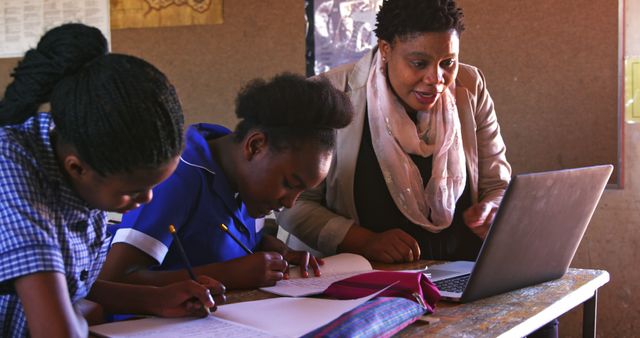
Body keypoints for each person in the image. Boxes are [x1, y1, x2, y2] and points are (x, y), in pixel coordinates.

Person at [0, 23, 225, 338]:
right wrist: (78, 318)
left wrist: (154, 298)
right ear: (77, 168)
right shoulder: (13, 174)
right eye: (132, 191)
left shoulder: (78, 142)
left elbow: (70, 284)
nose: (147, 198)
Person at [279, 0, 512, 265]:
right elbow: (294, 204)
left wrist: (493, 210)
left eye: (448, 62)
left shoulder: (470, 87)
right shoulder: (327, 95)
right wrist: (364, 240)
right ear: (386, 49)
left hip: (458, 272)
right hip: (359, 280)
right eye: (419, 63)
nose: (436, 78)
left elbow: (497, 185)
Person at [98, 73, 354, 290]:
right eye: (289, 183)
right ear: (255, 146)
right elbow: (114, 281)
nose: (289, 203)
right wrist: (230, 274)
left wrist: (270, 251)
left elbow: (204, 239)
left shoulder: (245, 184)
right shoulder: (178, 177)